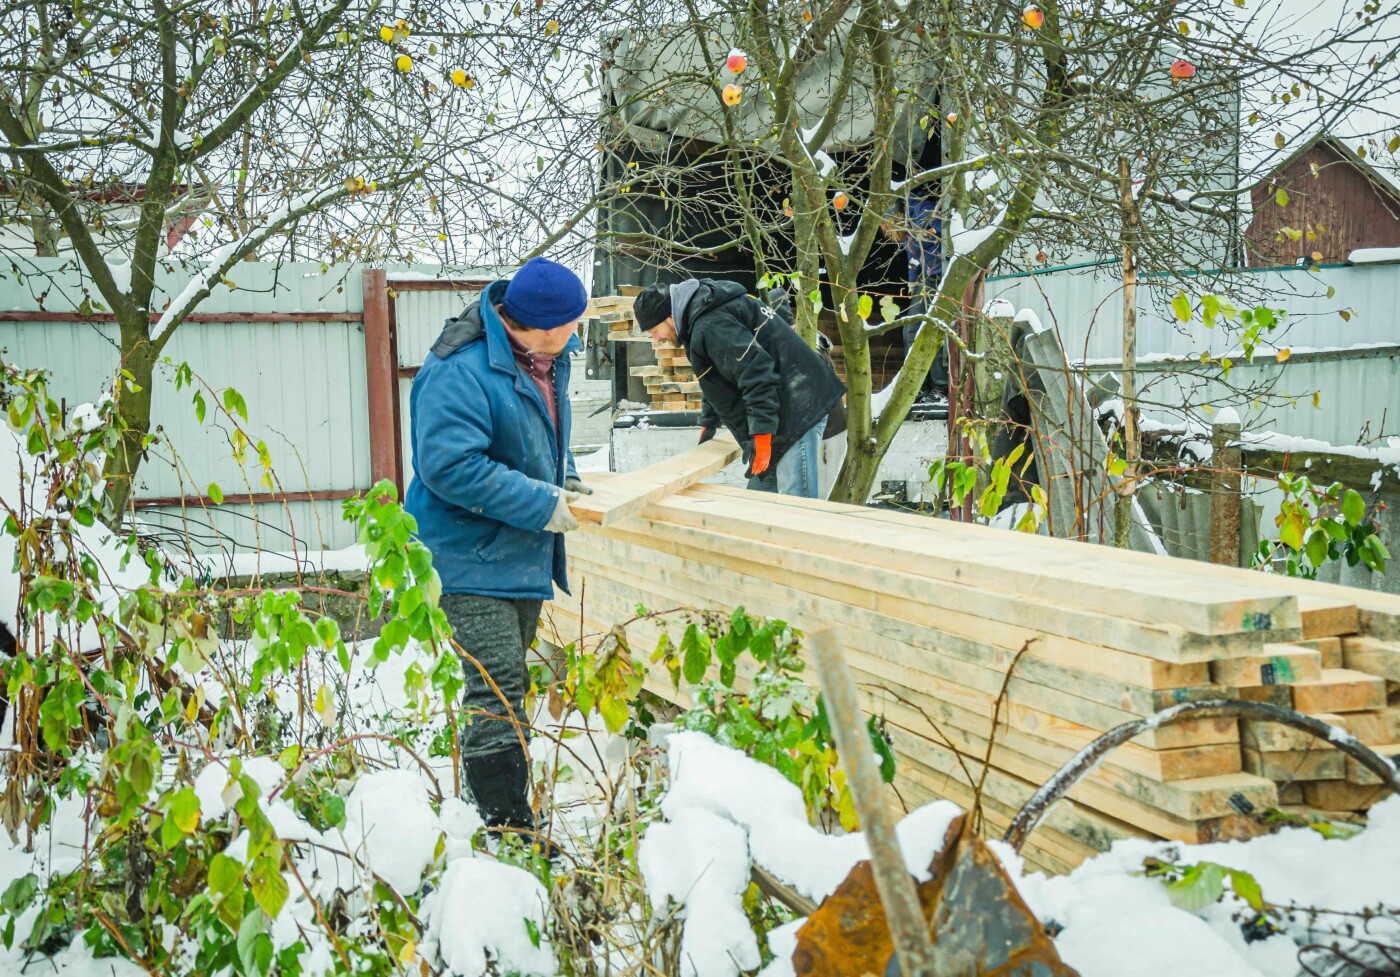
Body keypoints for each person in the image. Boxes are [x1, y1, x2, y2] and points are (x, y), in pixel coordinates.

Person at [405, 255, 588, 841]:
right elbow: (449, 466)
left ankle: (488, 810)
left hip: (516, 553)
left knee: (509, 684)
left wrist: (566, 473)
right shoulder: (458, 370)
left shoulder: (545, 357)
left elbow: (541, 428)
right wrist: (542, 502)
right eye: (571, 323)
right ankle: (509, 834)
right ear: (543, 326)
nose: (577, 332)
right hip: (464, 554)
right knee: (498, 686)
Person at [631, 278, 845, 498]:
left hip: (799, 406)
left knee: (797, 500)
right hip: (779, 407)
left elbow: (757, 372)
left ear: (669, 317)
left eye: (654, 330)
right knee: (759, 498)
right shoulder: (697, 321)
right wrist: (709, 421)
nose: (655, 339)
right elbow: (717, 375)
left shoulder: (712, 324)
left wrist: (762, 433)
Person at [884, 194, 949, 409]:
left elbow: (945, 236)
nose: (884, 229)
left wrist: (938, 271)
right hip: (926, 277)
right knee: (911, 330)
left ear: (894, 215)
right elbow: (913, 259)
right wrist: (912, 284)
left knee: (931, 330)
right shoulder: (907, 232)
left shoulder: (921, 212)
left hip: (940, 277)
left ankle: (941, 388)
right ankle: (917, 385)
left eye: (884, 222)